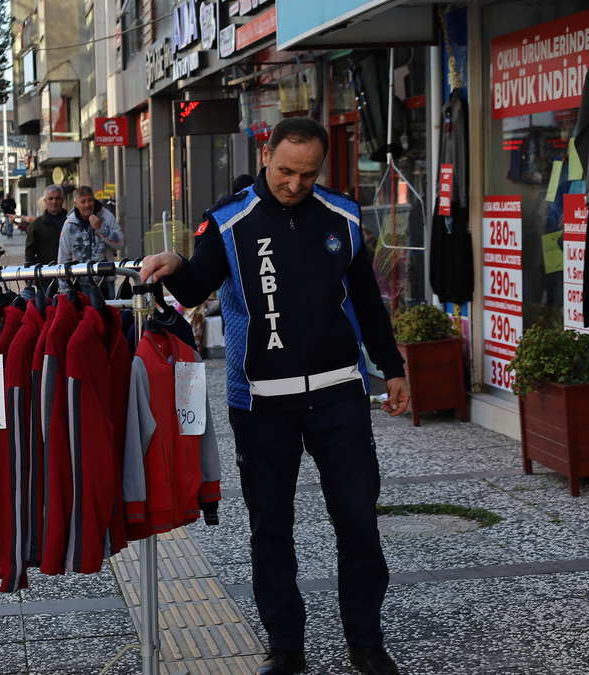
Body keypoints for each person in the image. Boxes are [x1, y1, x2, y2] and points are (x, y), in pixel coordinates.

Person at [139, 117, 408, 675]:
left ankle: (366, 642)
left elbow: (367, 299)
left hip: (340, 394)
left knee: (358, 522)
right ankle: (285, 647)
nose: (295, 184)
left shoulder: (342, 216)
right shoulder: (229, 219)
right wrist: (176, 267)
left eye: (308, 174)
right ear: (266, 154)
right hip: (261, 403)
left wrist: (393, 368)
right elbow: (197, 284)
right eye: (286, 171)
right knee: (271, 530)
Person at [57, 185, 123, 265]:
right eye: (83, 202)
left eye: (90, 200)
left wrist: (100, 228)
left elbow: (120, 243)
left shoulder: (106, 217)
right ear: (76, 204)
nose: (87, 205)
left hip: (104, 271)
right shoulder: (69, 223)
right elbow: (63, 256)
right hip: (79, 272)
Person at [25, 185, 66, 265]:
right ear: (45, 201)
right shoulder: (37, 224)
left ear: (62, 200)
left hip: (70, 269)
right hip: (46, 269)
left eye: (57, 198)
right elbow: (30, 251)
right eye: (50, 199)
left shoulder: (71, 221)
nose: (54, 202)